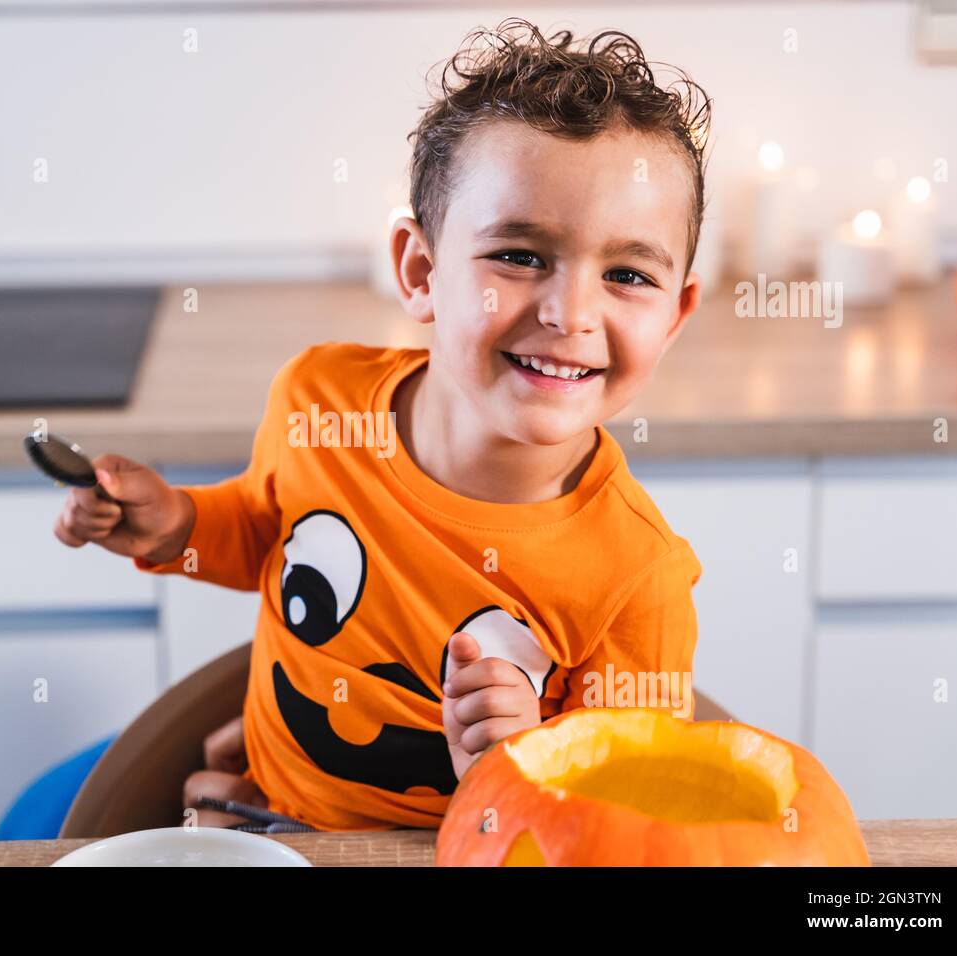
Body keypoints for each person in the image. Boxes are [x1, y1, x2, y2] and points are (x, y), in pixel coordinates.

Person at [55, 18, 710, 831]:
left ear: (675, 315)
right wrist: (175, 523)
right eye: (520, 255)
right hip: (261, 815)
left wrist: (520, 757)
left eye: (626, 273)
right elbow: (265, 531)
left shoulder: (638, 583)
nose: (570, 313)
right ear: (420, 270)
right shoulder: (320, 400)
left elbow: (620, 825)